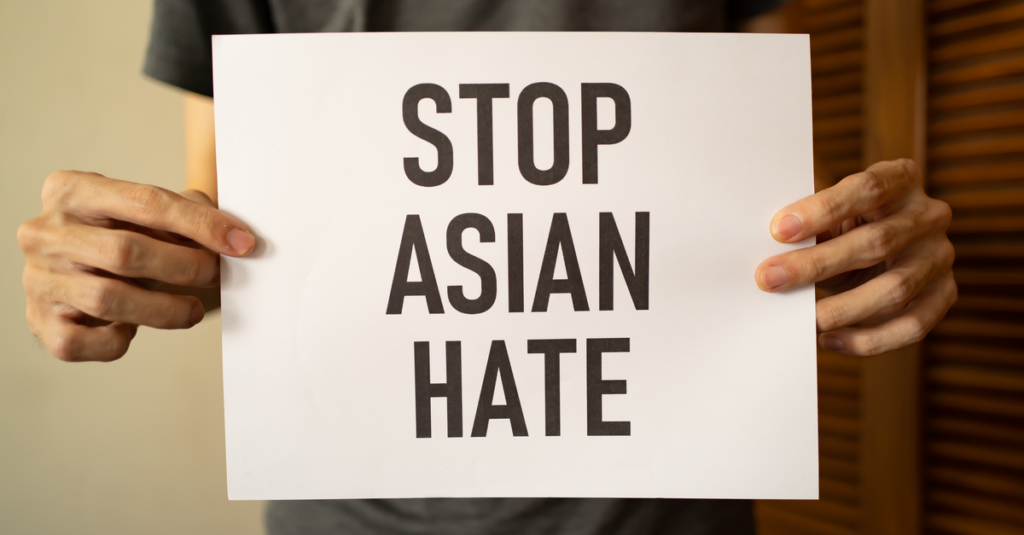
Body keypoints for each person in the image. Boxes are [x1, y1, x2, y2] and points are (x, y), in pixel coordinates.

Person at [16, 1, 957, 534]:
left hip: (665, 513)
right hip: (345, 510)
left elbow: (752, 194)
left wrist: (857, 250)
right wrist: (110, 268)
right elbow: (227, 230)